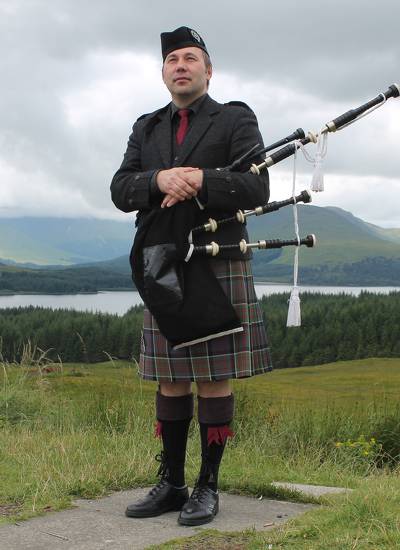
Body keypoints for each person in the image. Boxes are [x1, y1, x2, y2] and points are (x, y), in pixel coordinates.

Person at [110, 26, 272, 526]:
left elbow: (257, 188)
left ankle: (208, 487)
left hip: (217, 258)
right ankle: (172, 484)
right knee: (171, 379)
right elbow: (120, 188)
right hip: (163, 261)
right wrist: (157, 180)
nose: (180, 66)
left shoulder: (235, 119)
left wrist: (203, 179)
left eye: (190, 58)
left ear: (208, 70)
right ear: (163, 72)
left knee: (214, 379)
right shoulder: (147, 127)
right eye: (172, 60)